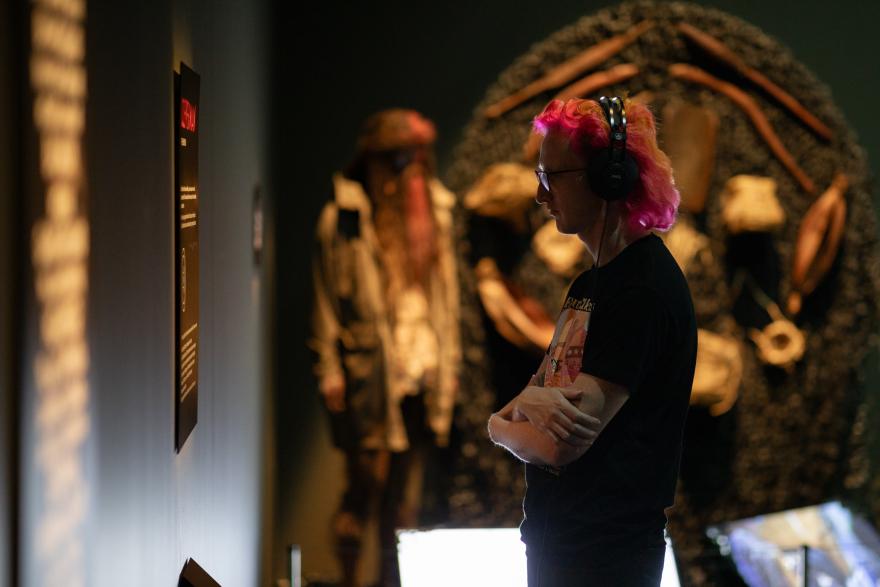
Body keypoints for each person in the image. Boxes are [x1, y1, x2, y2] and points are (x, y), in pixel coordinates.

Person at [487, 96, 697, 587]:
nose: (541, 196)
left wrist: (497, 426)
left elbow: (560, 445)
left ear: (609, 178)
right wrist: (526, 406)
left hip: (605, 558)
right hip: (560, 544)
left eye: (550, 177)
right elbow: (537, 398)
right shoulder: (590, 287)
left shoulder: (642, 290)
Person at [310, 109, 461, 587]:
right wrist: (328, 367)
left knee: (401, 500)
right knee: (363, 490)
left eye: (414, 160)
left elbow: (446, 297)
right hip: (369, 378)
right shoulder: (343, 219)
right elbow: (324, 301)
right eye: (395, 162)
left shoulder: (435, 213)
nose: (405, 175)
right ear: (373, 163)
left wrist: (448, 365)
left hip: (420, 374)